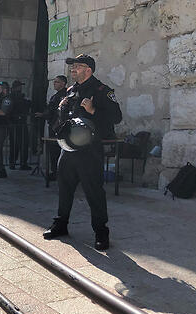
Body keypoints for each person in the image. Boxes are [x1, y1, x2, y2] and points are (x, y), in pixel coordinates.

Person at [42, 54, 122, 251]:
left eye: (77, 66)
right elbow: (61, 117)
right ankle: (61, 224)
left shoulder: (101, 90)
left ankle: (101, 233)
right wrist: (61, 110)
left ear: (89, 70)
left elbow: (117, 116)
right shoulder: (70, 90)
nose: (73, 70)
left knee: (94, 191)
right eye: (72, 67)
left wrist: (94, 110)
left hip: (89, 150)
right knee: (64, 188)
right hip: (68, 148)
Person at [34, 75, 68, 180]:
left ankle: (56, 172)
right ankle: (57, 172)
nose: (54, 84)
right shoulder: (59, 95)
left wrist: (43, 115)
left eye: (57, 82)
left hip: (56, 127)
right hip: (57, 126)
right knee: (55, 151)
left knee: (55, 151)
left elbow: (53, 112)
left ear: (63, 83)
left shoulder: (61, 96)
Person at [8, 80, 31, 170]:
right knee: (18, 144)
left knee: (19, 144)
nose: (20, 88)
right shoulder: (13, 97)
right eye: (19, 86)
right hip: (16, 122)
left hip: (19, 122)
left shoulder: (18, 97)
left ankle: (16, 163)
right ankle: (20, 163)